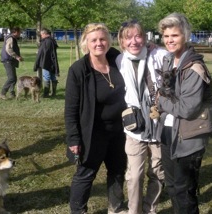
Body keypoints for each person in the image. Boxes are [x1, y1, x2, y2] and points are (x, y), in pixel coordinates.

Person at [64, 23, 127, 214]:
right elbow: (71, 109)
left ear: (108, 40)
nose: (99, 43)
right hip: (92, 133)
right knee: (86, 174)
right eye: (94, 40)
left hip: (120, 131)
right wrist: (73, 139)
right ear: (86, 43)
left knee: (117, 171)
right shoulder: (79, 70)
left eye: (102, 39)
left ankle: (116, 208)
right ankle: (78, 210)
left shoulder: (117, 60)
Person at [157, 13, 212, 214]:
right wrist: (163, 101)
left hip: (189, 137)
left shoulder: (194, 68)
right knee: (172, 186)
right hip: (168, 132)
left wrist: (161, 102)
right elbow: (164, 90)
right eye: (166, 36)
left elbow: (187, 108)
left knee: (185, 190)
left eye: (175, 35)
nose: (170, 40)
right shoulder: (167, 61)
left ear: (185, 36)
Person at [116, 20, 166, 214]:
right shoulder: (119, 60)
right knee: (134, 176)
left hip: (159, 124)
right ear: (121, 41)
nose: (134, 41)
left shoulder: (159, 55)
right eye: (128, 37)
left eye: (138, 36)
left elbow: (179, 54)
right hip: (135, 127)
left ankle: (150, 209)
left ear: (145, 38)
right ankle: (133, 211)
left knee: (157, 173)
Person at [34, 28, 60, 97]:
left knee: (46, 77)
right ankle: (53, 93)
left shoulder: (46, 41)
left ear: (44, 34)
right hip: (52, 61)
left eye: (41, 35)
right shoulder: (52, 40)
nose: (41, 36)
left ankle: (46, 94)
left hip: (46, 61)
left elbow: (44, 52)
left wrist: (38, 57)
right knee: (52, 76)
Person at [0, 27, 23, 100]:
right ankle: (2, 93)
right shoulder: (10, 38)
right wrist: (16, 57)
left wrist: (18, 56)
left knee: (14, 78)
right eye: (19, 32)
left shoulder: (13, 38)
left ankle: (12, 93)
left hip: (10, 60)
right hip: (7, 60)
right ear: (15, 32)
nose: (20, 33)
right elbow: (8, 49)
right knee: (11, 78)